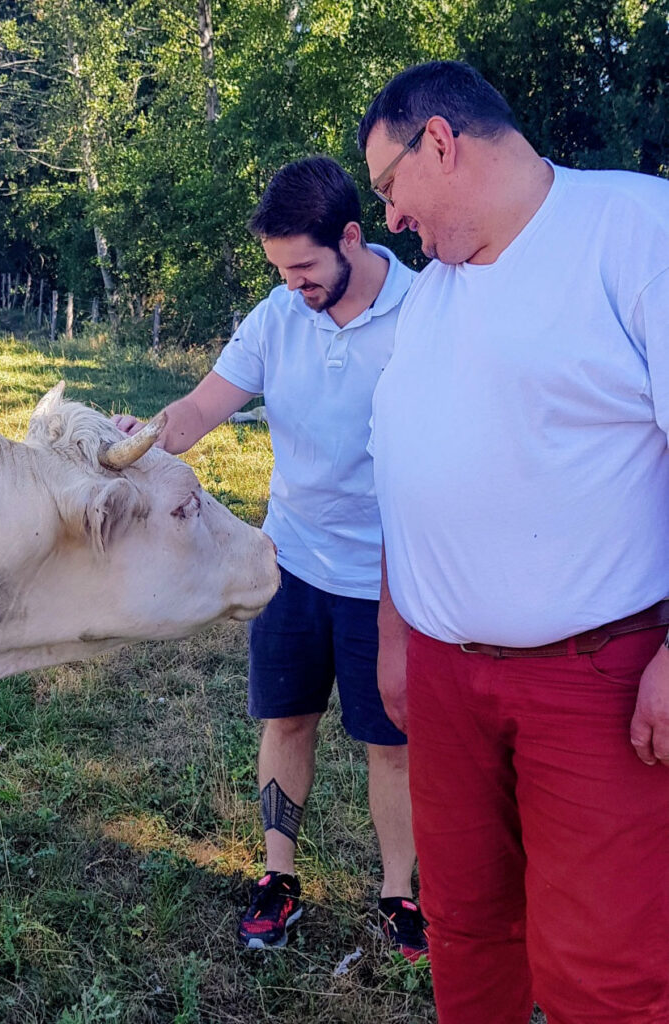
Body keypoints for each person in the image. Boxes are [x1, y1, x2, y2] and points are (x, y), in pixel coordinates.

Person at [358, 60, 669, 1023]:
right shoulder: (434, 295)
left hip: (595, 678)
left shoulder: (635, 231)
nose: (391, 219)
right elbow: (404, 470)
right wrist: (395, 632)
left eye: (390, 187)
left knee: (604, 965)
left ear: (440, 142)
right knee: (464, 926)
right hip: (446, 678)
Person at [113, 156, 427, 957]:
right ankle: (278, 878)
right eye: (280, 271)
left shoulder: (425, 312)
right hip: (288, 562)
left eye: (304, 268)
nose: (293, 285)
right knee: (287, 721)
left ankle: (400, 896)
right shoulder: (277, 315)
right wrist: (145, 438)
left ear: (351, 237)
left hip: (389, 580)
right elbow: (200, 408)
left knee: (392, 745)